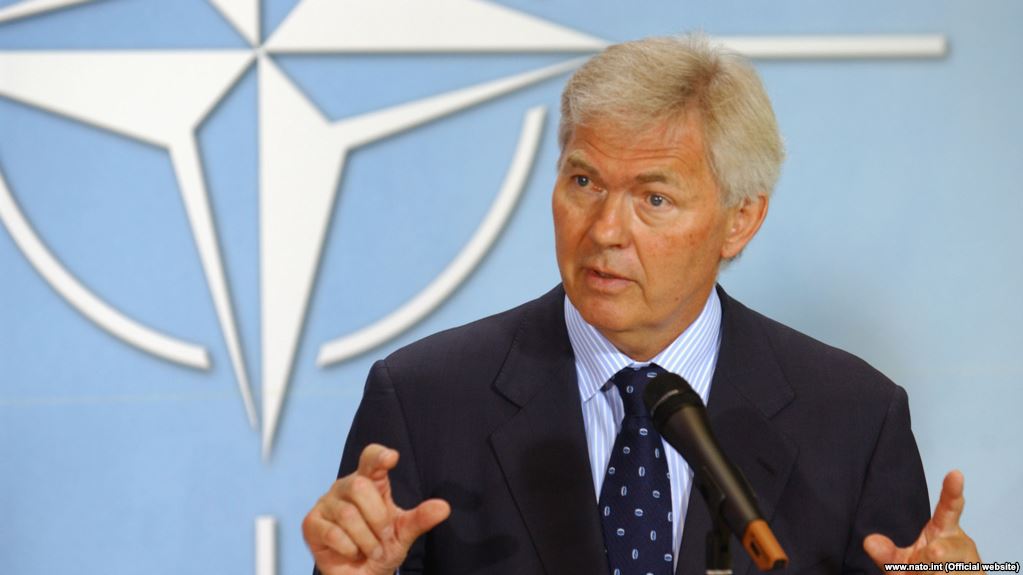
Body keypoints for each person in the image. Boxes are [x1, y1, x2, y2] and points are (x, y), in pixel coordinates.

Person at [303, 35, 984, 574]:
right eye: (583, 182)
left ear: (740, 220)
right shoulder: (425, 399)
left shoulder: (853, 417)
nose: (604, 230)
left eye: (653, 198)